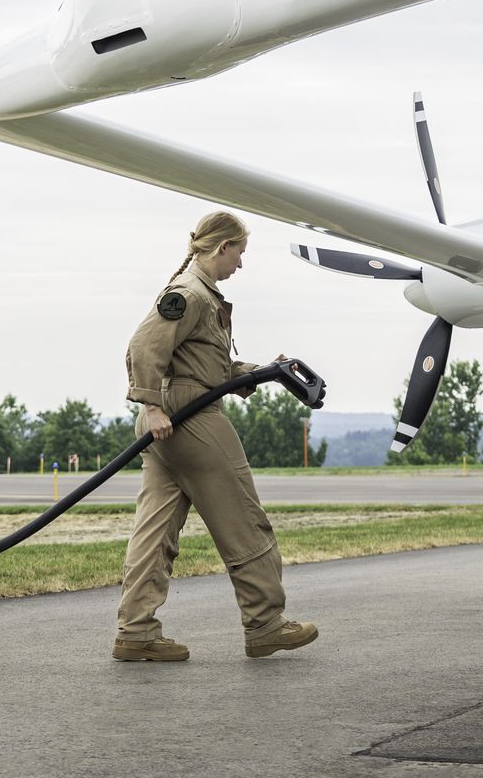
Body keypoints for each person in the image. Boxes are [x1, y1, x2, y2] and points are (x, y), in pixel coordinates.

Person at [112, 210, 318, 661]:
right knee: (244, 519)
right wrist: (150, 405)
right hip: (191, 418)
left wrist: (264, 372)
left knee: (155, 531)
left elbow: (209, 368)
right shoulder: (190, 294)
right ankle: (265, 623)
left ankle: (136, 631)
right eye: (239, 253)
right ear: (222, 247)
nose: (240, 264)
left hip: (171, 419)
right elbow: (143, 347)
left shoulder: (200, 295)